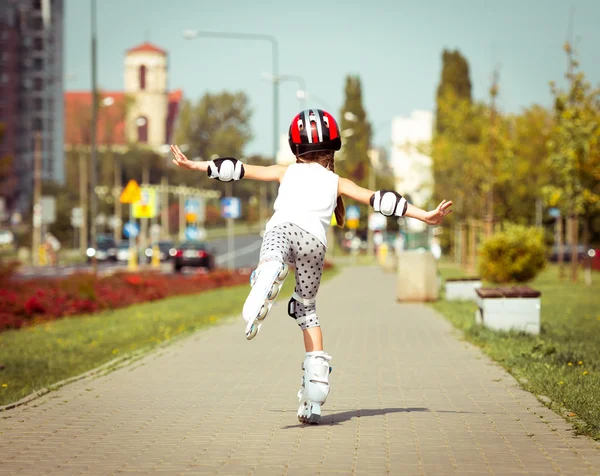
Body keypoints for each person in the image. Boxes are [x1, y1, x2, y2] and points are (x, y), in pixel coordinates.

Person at [170, 108, 452, 424]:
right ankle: (315, 395)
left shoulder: (285, 171)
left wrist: (195, 165)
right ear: (332, 148)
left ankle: (269, 271)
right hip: (314, 246)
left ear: (295, 147)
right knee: (307, 311)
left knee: (273, 248)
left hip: (284, 231)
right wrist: (424, 215)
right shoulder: (337, 181)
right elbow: (380, 200)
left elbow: (237, 169)